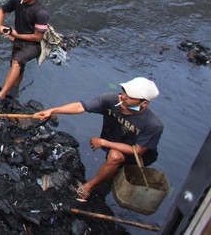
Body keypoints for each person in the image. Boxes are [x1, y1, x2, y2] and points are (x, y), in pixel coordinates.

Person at [34, 77, 163, 201]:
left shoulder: (153, 125)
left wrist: (104, 142)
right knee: (112, 162)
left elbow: (137, 151)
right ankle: (109, 178)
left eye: (129, 97)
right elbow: (81, 107)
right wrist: (53, 110)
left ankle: (90, 185)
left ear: (144, 103)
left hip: (136, 155)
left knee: (115, 156)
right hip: (116, 140)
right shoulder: (111, 100)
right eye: (124, 92)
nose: (123, 97)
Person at [0, 0, 49, 100]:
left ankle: (1, 94)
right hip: (18, 40)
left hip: (33, 45)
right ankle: (13, 94)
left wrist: (15, 34)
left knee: (17, 61)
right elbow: (2, 10)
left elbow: (37, 37)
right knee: (18, 67)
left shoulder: (41, 12)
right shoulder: (17, 0)